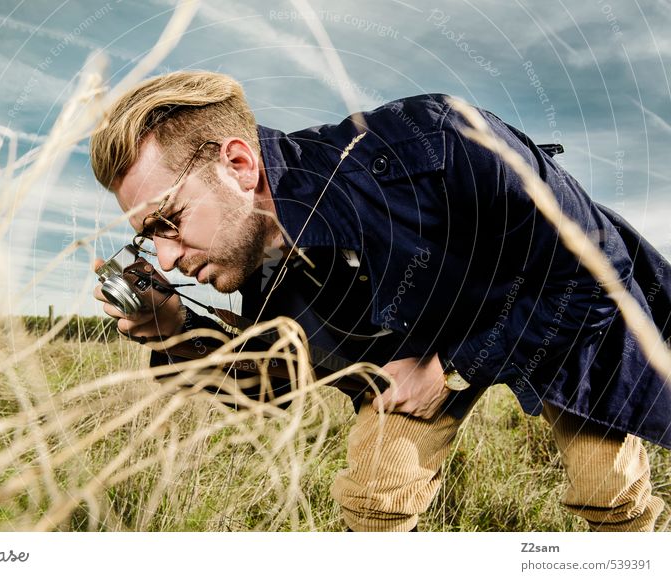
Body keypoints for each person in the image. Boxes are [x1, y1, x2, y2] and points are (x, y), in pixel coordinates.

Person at [89, 70, 671, 532]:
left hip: (548, 311)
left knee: (607, 493)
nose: (165, 259)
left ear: (238, 165)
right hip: (415, 346)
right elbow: (273, 385)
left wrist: (453, 370)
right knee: (374, 502)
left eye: (171, 220)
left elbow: (596, 272)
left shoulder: (438, 141)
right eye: (148, 235)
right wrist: (173, 330)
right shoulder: (260, 262)